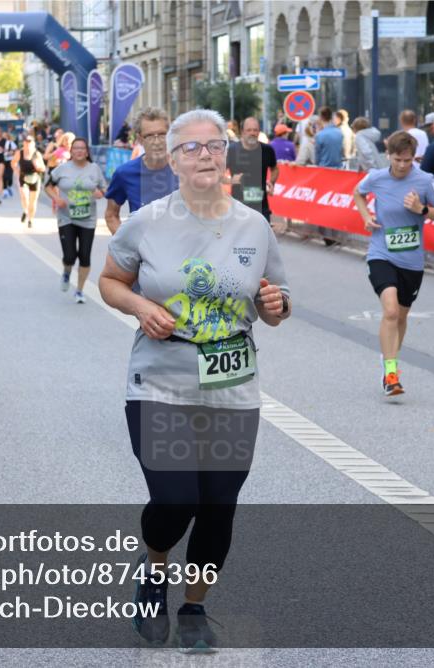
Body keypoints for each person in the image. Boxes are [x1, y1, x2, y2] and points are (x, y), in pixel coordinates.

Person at [99, 107, 291, 652]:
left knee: (219, 505)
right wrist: (139, 306)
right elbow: (110, 281)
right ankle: (155, 565)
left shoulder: (254, 225)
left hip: (232, 383)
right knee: (176, 497)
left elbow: (275, 304)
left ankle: (194, 608)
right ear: (172, 160)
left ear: (226, 155)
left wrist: (276, 304)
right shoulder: (148, 222)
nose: (204, 155)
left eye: (214, 146)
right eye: (192, 148)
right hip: (160, 378)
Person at [352, 131, 434, 396]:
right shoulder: (377, 177)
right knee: (391, 311)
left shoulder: (426, 181)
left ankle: (389, 358)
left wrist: (422, 210)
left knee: (402, 316)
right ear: (389, 156)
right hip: (381, 253)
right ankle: (391, 373)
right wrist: (365, 216)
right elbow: (357, 192)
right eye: (398, 160)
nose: (403, 165)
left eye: (408, 160)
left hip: (412, 261)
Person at [44, 137, 107, 303]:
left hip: (88, 219)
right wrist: (57, 198)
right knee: (70, 255)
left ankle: (79, 290)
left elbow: (105, 188)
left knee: (85, 256)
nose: (79, 151)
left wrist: (100, 193)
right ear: (71, 151)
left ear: (87, 152)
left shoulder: (94, 169)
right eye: (75, 148)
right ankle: (66, 272)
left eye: (82, 148)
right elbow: (48, 186)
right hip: (66, 218)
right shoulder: (62, 169)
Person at [104, 107, 179, 235]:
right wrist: (126, 244)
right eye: (149, 136)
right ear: (139, 139)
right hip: (143, 254)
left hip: (183, 251)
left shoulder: (187, 168)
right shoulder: (124, 174)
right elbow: (111, 215)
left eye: (162, 134)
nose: (157, 142)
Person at [224, 116, 279, 222]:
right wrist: (230, 181)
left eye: (255, 130)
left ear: (259, 132)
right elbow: (217, 174)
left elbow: (275, 168)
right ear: (242, 132)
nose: (252, 133)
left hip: (262, 208)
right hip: (239, 208)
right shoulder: (232, 150)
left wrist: (271, 182)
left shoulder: (267, 150)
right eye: (249, 130)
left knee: (262, 238)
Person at [12, 134, 46, 228]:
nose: (27, 144)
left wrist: (38, 166)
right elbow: (13, 162)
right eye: (26, 142)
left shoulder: (37, 154)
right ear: (23, 143)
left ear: (33, 143)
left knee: (33, 201)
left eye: (30, 142)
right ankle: (25, 210)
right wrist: (16, 170)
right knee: (24, 195)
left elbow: (43, 168)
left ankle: (30, 219)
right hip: (23, 177)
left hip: (35, 178)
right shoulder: (20, 153)